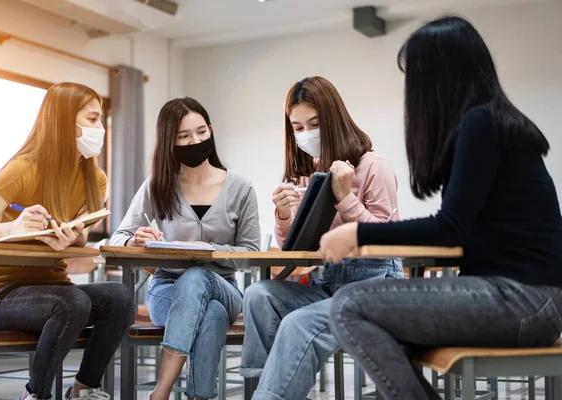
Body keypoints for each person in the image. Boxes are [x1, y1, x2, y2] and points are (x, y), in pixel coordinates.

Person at [320, 16, 562, 400]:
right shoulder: (489, 123)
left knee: (348, 305)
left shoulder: (481, 124)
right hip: (530, 299)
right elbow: (459, 229)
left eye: (414, 77)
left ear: (437, 79)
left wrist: (356, 232)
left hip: (524, 301)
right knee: (381, 326)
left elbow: (449, 227)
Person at [0, 82, 134, 400]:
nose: (100, 129)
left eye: (100, 120)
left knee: (121, 298)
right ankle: (36, 394)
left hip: (56, 290)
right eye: (92, 119)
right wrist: (12, 227)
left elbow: (79, 238)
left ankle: (84, 389)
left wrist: (75, 237)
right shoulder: (22, 169)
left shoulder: (95, 179)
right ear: (63, 120)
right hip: (4, 297)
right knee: (73, 303)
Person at [239, 76, 403, 400]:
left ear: (333, 119)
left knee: (298, 324)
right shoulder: (306, 174)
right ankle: (262, 390)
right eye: (297, 128)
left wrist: (346, 199)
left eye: (313, 124)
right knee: (257, 295)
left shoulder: (374, 166)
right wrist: (284, 215)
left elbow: (386, 242)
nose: (305, 134)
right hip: (328, 287)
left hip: (376, 292)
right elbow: (296, 250)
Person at [110, 97, 261, 400]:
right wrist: (133, 239)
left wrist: (208, 248)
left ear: (211, 130)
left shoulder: (241, 187)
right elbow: (117, 238)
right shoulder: (158, 185)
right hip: (167, 289)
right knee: (212, 315)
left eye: (201, 131)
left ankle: (160, 392)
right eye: (184, 136)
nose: (196, 140)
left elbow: (251, 252)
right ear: (170, 141)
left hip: (224, 288)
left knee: (197, 280)